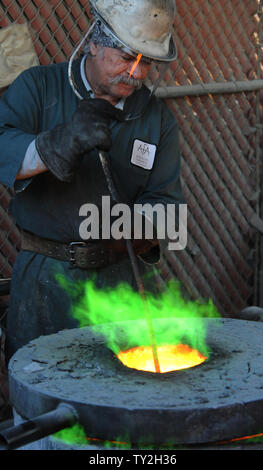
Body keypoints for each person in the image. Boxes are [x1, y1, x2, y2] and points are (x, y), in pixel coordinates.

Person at [0, 0, 185, 361]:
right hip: (46, 279)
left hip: (120, 282)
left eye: (145, 61)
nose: (133, 72)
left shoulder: (157, 119)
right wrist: (58, 143)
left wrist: (131, 227)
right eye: (124, 56)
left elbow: (167, 206)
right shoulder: (38, 87)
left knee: (119, 397)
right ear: (93, 43)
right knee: (43, 397)